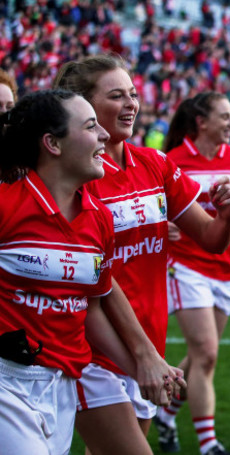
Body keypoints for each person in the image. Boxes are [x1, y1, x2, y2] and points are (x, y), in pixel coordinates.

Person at [54, 54, 230, 455]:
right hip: (95, 352)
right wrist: (140, 355)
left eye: (134, 94)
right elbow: (90, 282)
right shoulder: (73, 177)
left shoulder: (153, 163)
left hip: (147, 343)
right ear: (83, 106)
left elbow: (211, 239)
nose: (131, 104)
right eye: (117, 96)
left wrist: (226, 215)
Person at [0, 89, 143, 454]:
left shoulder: (99, 219)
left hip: (61, 387)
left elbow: (91, 308)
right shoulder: (6, 206)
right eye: (91, 125)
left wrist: (141, 370)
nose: (105, 136)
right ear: (52, 143)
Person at [152, 92, 230, 455]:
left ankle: (165, 417)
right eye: (225, 116)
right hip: (185, 266)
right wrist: (165, 226)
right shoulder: (172, 160)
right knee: (208, 354)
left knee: (200, 355)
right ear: (201, 122)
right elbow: (157, 212)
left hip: (224, 269)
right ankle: (209, 444)